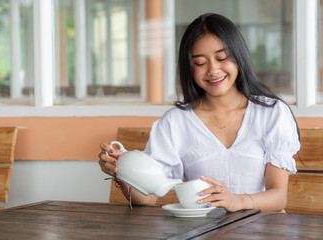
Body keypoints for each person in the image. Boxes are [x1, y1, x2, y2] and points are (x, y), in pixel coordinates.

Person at [98, 13, 300, 212]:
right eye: (201, 63)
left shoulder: (272, 114)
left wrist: (237, 201)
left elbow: (278, 197)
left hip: (264, 230)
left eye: (222, 58)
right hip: (204, 231)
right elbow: (148, 198)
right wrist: (120, 171)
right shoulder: (175, 122)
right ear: (190, 67)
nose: (213, 70)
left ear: (239, 57)